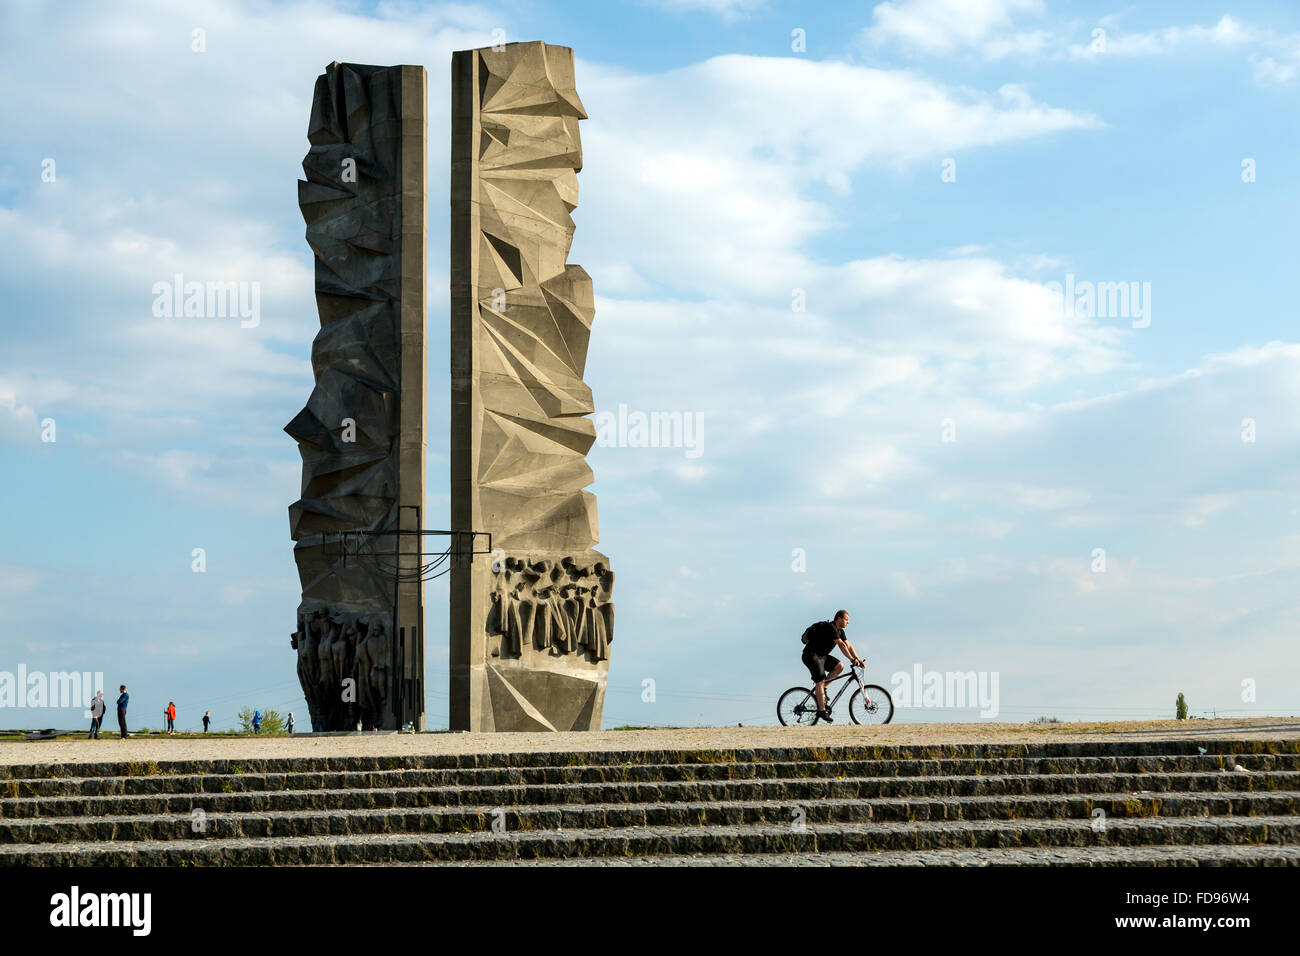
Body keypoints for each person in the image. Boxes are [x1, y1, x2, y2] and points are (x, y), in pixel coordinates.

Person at [800, 610, 863, 723]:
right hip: (811, 655)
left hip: (822, 656)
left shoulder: (840, 631)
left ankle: (823, 688)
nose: (848, 622)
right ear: (839, 619)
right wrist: (852, 659)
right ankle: (822, 711)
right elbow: (841, 644)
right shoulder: (830, 628)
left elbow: (848, 645)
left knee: (839, 666)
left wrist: (857, 658)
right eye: (846, 620)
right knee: (820, 680)